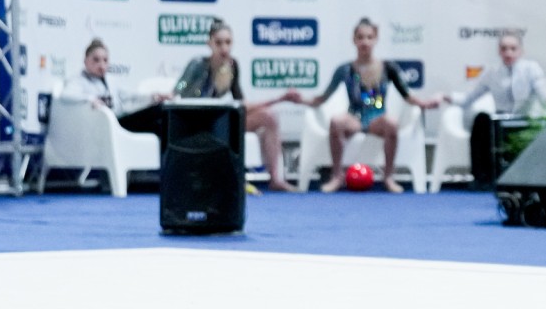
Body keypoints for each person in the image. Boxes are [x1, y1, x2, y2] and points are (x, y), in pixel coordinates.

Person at [303, 18, 441, 193]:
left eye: (369, 37)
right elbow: (323, 98)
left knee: (391, 123)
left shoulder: (388, 68)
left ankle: (388, 177)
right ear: (354, 40)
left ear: (376, 39)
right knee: (336, 122)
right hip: (354, 116)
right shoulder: (344, 69)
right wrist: (302, 100)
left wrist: (425, 103)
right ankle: (337, 175)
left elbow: (407, 96)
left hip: (377, 116)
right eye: (360, 37)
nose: (365, 42)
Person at [169, 19, 300, 192]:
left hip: (218, 121)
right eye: (218, 43)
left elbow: (241, 103)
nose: (224, 48)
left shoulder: (232, 66)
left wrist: (278, 99)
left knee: (269, 116)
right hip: (195, 123)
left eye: (228, 42)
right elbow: (179, 88)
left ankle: (275, 178)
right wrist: (173, 94)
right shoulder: (198, 64)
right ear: (209, 44)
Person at [450, 31, 546, 186]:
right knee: (481, 120)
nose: (508, 53)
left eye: (513, 48)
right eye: (504, 48)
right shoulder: (492, 72)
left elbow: (543, 91)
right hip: (500, 122)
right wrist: (446, 97)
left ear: (521, 51)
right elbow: (469, 98)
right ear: (499, 51)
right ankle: (481, 178)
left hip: (524, 121)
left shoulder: (531, 68)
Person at [59, 39, 117, 109]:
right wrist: (90, 99)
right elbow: (66, 96)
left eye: (105, 60)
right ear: (85, 61)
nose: (102, 65)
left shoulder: (111, 80)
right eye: (96, 60)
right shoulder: (78, 80)